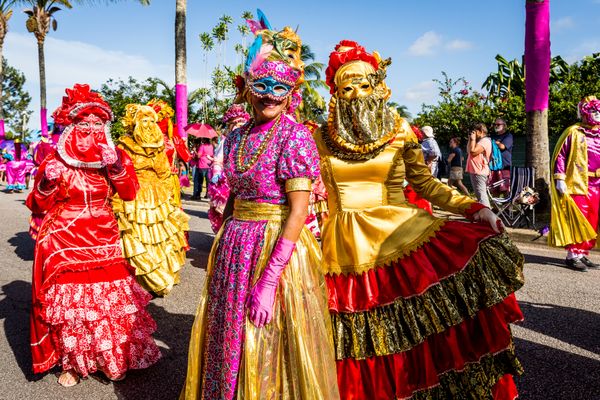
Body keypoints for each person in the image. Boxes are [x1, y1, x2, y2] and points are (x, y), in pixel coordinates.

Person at [314, 40, 524, 399]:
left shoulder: (399, 130)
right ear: (335, 93)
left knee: (417, 338)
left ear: (379, 87)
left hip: (404, 241)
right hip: (344, 255)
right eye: (347, 87)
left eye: (365, 84)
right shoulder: (319, 137)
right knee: (362, 347)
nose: (357, 94)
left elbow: (426, 185)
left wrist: (476, 209)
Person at [181, 12, 339, 399]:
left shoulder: (296, 137)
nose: (269, 94)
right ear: (247, 88)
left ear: (292, 94)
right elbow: (234, 198)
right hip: (236, 247)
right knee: (229, 331)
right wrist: (225, 247)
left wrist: (268, 281)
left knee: (266, 338)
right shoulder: (236, 138)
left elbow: (299, 211)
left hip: (277, 251)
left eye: (279, 88)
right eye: (261, 85)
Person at [26, 84, 161, 387]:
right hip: (65, 239)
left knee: (107, 305)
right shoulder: (55, 160)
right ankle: (73, 363)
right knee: (72, 308)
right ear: (72, 127)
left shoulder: (114, 157)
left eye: (97, 124)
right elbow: (36, 203)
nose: (90, 130)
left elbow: (129, 193)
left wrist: (115, 166)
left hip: (104, 236)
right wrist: (47, 184)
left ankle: (111, 359)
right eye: (83, 124)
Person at [112, 104, 189, 297]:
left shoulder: (159, 146)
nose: (147, 125)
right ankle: (144, 279)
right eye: (143, 121)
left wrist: (170, 197)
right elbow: (118, 174)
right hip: (134, 197)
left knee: (162, 236)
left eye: (151, 121)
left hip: (158, 197)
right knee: (136, 237)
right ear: (135, 123)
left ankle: (161, 276)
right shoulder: (124, 145)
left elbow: (164, 173)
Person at [549, 95, 600, 271]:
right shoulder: (573, 132)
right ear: (585, 113)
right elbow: (561, 155)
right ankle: (572, 256)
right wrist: (560, 178)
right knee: (578, 220)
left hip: (597, 184)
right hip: (577, 183)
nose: (596, 114)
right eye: (593, 111)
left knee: (592, 219)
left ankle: (582, 253)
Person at [207, 104, 250, 233]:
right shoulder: (226, 141)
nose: (238, 125)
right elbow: (218, 160)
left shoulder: (251, 139)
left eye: (241, 122)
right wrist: (216, 173)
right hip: (226, 183)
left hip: (245, 182)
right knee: (225, 213)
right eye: (235, 123)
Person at [466, 123, 492, 207]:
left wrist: (473, 140)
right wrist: (470, 139)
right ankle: (485, 216)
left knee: (481, 196)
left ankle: (488, 217)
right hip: (476, 171)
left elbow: (473, 152)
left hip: (480, 171)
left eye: (475, 131)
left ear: (481, 131)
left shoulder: (485, 141)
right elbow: (469, 151)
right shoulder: (479, 141)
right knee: (479, 195)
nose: (474, 133)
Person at [492, 117, 514, 193]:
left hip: (505, 166)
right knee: (494, 190)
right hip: (493, 167)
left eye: (498, 124)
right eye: (495, 124)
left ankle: (508, 204)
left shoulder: (508, 136)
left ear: (504, 126)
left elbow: (502, 147)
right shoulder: (493, 136)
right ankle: (495, 205)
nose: (496, 126)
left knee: (506, 189)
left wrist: (495, 143)